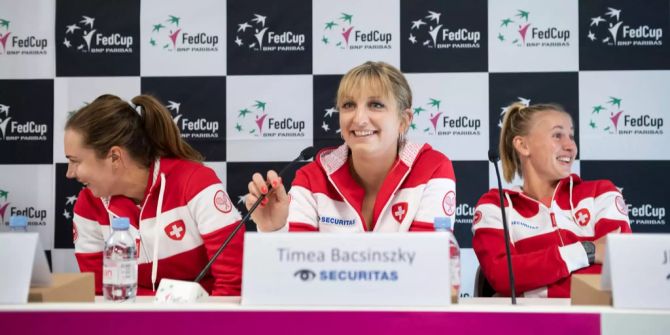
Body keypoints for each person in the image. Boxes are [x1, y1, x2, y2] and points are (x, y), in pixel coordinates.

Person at [64, 94, 243, 296]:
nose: (69, 173)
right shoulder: (88, 204)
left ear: (115, 156)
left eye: (75, 161)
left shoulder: (196, 183)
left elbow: (232, 283)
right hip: (132, 325)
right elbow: (101, 291)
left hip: (202, 323)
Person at [246, 61, 456, 232]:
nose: (359, 118)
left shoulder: (433, 169)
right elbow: (296, 274)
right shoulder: (310, 179)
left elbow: (428, 269)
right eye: (348, 105)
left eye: (376, 105)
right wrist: (274, 229)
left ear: (404, 120)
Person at [472, 102, 631, 298]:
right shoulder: (496, 205)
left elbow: (619, 274)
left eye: (571, 136)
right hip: (525, 327)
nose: (570, 146)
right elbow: (504, 277)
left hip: (593, 326)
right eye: (557, 135)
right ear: (523, 145)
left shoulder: (601, 193)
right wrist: (588, 251)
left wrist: (528, 290)